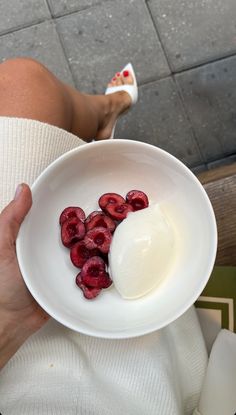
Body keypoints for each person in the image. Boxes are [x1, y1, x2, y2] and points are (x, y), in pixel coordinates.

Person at [0, 58, 234, 415]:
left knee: (23, 80)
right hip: (134, 386)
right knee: (27, 82)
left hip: (9, 346)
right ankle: (110, 108)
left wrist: (6, 317)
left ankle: (106, 111)